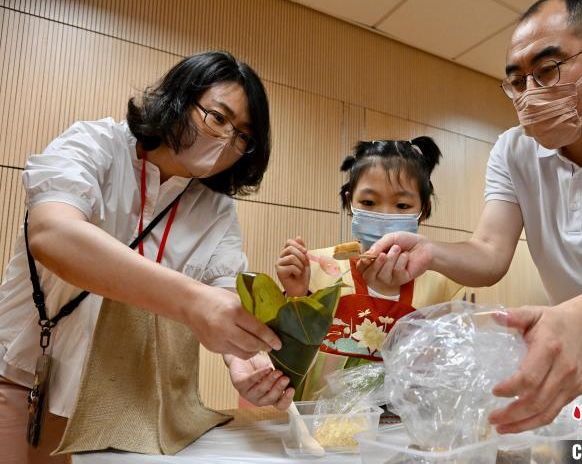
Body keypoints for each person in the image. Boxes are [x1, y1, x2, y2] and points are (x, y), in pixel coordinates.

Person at [362, 0, 582, 434]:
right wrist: (430, 251)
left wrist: (580, 320)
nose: (530, 94)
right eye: (517, 82)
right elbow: (488, 251)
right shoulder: (513, 149)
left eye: (548, 70)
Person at [0, 51, 282, 462]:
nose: (226, 140)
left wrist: (245, 359)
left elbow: (226, 295)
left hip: (123, 403)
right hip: (29, 379)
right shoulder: (95, 145)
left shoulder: (217, 210)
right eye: (218, 118)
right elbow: (53, 234)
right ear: (178, 100)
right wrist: (192, 301)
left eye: (243, 136)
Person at [229, 137, 466, 407]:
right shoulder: (315, 269)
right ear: (349, 202)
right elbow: (283, 358)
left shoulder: (444, 285)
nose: (384, 214)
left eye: (401, 206)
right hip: (318, 428)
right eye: (368, 202)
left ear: (423, 211)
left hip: (399, 432)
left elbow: (447, 373)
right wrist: (296, 294)